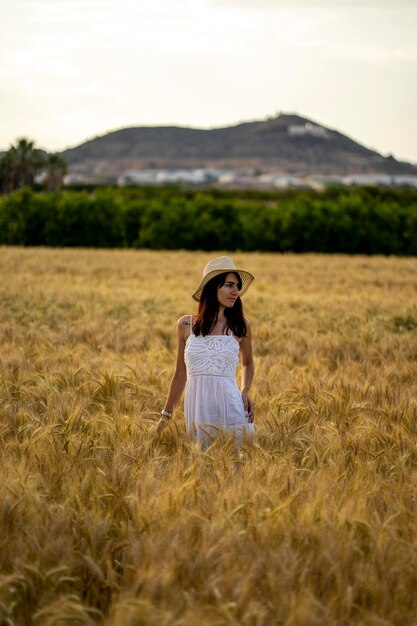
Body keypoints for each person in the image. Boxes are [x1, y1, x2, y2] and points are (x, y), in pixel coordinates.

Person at [158, 256, 255, 449]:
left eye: (237, 286)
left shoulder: (240, 325)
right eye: (229, 285)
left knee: (235, 469)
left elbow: (248, 362)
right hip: (197, 411)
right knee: (201, 469)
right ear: (213, 287)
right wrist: (166, 415)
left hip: (232, 409)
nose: (236, 292)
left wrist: (244, 390)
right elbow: (180, 374)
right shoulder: (186, 325)